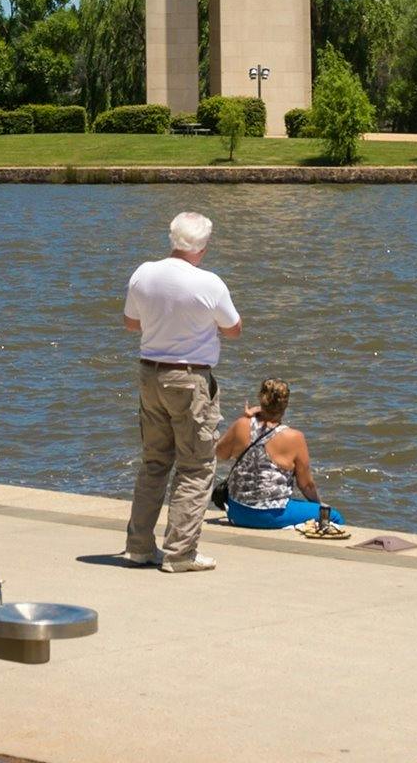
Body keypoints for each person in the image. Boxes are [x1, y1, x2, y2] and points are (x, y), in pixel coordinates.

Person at [121, 210, 241, 573]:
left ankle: (139, 547)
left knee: (154, 463)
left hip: (149, 374)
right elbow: (234, 329)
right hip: (190, 379)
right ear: (202, 247)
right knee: (196, 465)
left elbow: (130, 323)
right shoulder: (209, 283)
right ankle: (180, 552)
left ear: (172, 239)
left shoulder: (143, 273)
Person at [216, 379, 343, 529]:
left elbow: (220, 454)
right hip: (271, 515)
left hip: (237, 513)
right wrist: (318, 506)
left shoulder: (242, 424)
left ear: (260, 398)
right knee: (334, 516)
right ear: (285, 404)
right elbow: (306, 485)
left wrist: (247, 417)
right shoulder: (294, 437)